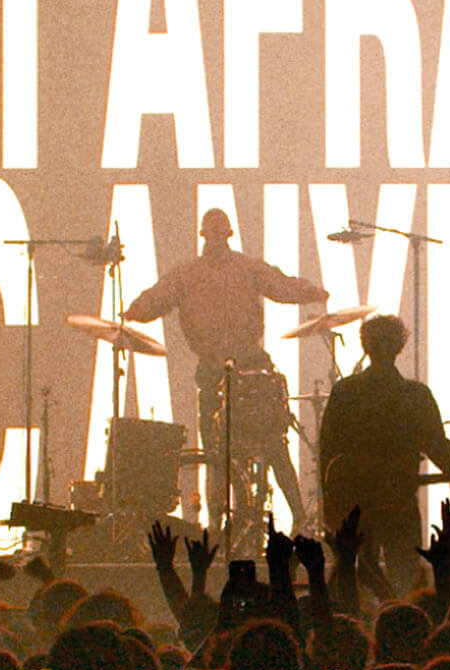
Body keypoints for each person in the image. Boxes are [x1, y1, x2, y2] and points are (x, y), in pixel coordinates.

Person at [125, 207, 327, 532]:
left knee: (271, 445)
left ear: (227, 234)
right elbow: (157, 297)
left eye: (220, 233)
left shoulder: (243, 268)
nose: (216, 239)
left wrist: (310, 292)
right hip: (213, 370)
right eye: (212, 233)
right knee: (217, 454)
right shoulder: (189, 274)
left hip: (251, 369)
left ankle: (296, 519)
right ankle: (219, 525)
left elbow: (281, 285)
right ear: (206, 235)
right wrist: (135, 310)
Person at [316, 314, 450, 590]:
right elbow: (438, 447)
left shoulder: (345, 392)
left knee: (359, 578)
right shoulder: (415, 396)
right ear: (399, 347)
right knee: (406, 577)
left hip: (354, 505)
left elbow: (327, 452)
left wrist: (329, 506)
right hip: (398, 502)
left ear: (366, 346)